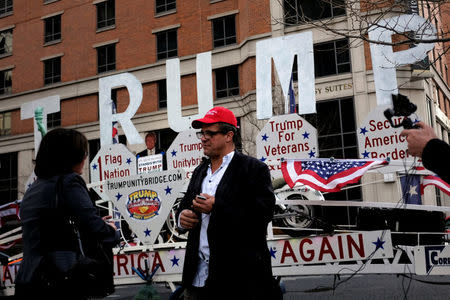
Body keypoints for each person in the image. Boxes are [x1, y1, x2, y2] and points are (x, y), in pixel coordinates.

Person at [175, 107, 277, 300]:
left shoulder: (253, 169)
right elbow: (185, 205)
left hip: (238, 280)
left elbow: (263, 215)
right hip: (198, 277)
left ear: (229, 135)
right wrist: (182, 218)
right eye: (202, 133)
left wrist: (218, 206)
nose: (204, 138)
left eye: (210, 133)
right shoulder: (199, 171)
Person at [15, 128, 119, 299]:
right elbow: (93, 225)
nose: (85, 158)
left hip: (29, 277)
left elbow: (51, 226)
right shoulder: (69, 181)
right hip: (60, 277)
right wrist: (111, 231)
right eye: (84, 153)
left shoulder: (34, 188)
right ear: (71, 156)